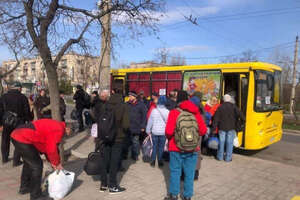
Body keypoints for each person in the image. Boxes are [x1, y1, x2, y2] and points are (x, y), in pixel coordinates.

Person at [10, 119, 71, 200]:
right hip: (23, 137)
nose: (67, 135)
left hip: (17, 134)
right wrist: (56, 163)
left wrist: (53, 162)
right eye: (69, 133)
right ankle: (36, 196)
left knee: (29, 163)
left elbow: (47, 146)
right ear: (68, 128)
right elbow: (51, 149)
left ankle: (24, 187)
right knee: (37, 166)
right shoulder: (59, 129)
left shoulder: (56, 125)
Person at [164, 97, 207, 200]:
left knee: (175, 172)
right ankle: (187, 196)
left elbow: (168, 132)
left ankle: (174, 195)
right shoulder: (196, 113)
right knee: (190, 173)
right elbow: (203, 131)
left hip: (175, 148)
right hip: (192, 149)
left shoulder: (174, 112)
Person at [99, 89, 129, 194]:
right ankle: (113, 186)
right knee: (114, 162)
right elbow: (126, 125)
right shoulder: (123, 106)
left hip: (105, 137)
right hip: (118, 138)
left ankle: (103, 185)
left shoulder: (105, 105)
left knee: (105, 160)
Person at [0, 82, 31, 166]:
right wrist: (28, 120)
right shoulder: (23, 97)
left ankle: (4, 158)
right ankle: (16, 161)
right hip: (19, 122)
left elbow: (0, 111)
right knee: (18, 141)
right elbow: (26, 111)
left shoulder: (3, 97)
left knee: (5, 140)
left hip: (6, 122)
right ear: (19, 88)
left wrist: (0, 124)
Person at [212, 94, 245, 162]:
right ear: (230, 99)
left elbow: (216, 118)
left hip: (222, 127)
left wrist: (214, 128)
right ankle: (228, 158)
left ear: (223, 100)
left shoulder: (220, 107)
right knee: (230, 143)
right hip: (231, 127)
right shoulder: (234, 107)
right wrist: (239, 124)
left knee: (221, 142)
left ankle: (220, 157)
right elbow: (242, 117)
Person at [146, 96, 169, 167]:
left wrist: (148, 130)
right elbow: (168, 123)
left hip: (154, 132)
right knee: (161, 147)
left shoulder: (154, 111)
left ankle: (153, 161)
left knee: (154, 146)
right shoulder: (168, 111)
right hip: (163, 132)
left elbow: (150, 122)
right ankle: (160, 161)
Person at [126, 91, 147, 161]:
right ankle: (126, 154)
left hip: (137, 126)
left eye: (131, 96)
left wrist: (143, 126)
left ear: (135, 97)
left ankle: (135, 155)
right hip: (128, 126)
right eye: (129, 96)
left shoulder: (141, 105)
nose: (129, 97)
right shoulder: (127, 104)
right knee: (128, 141)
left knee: (135, 141)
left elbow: (144, 116)